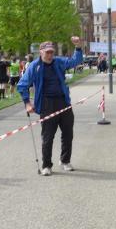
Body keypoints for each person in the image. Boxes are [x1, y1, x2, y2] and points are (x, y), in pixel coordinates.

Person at [18, 37, 83, 176]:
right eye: (47, 52)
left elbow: (75, 61)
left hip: (63, 102)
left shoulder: (58, 62)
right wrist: (27, 103)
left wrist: (77, 47)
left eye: (51, 52)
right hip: (47, 104)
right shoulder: (34, 66)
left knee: (68, 134)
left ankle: (65, 161)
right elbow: (22, 85)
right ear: (41, 52)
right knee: (48, 136)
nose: (50, 55)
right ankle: (46, 165)